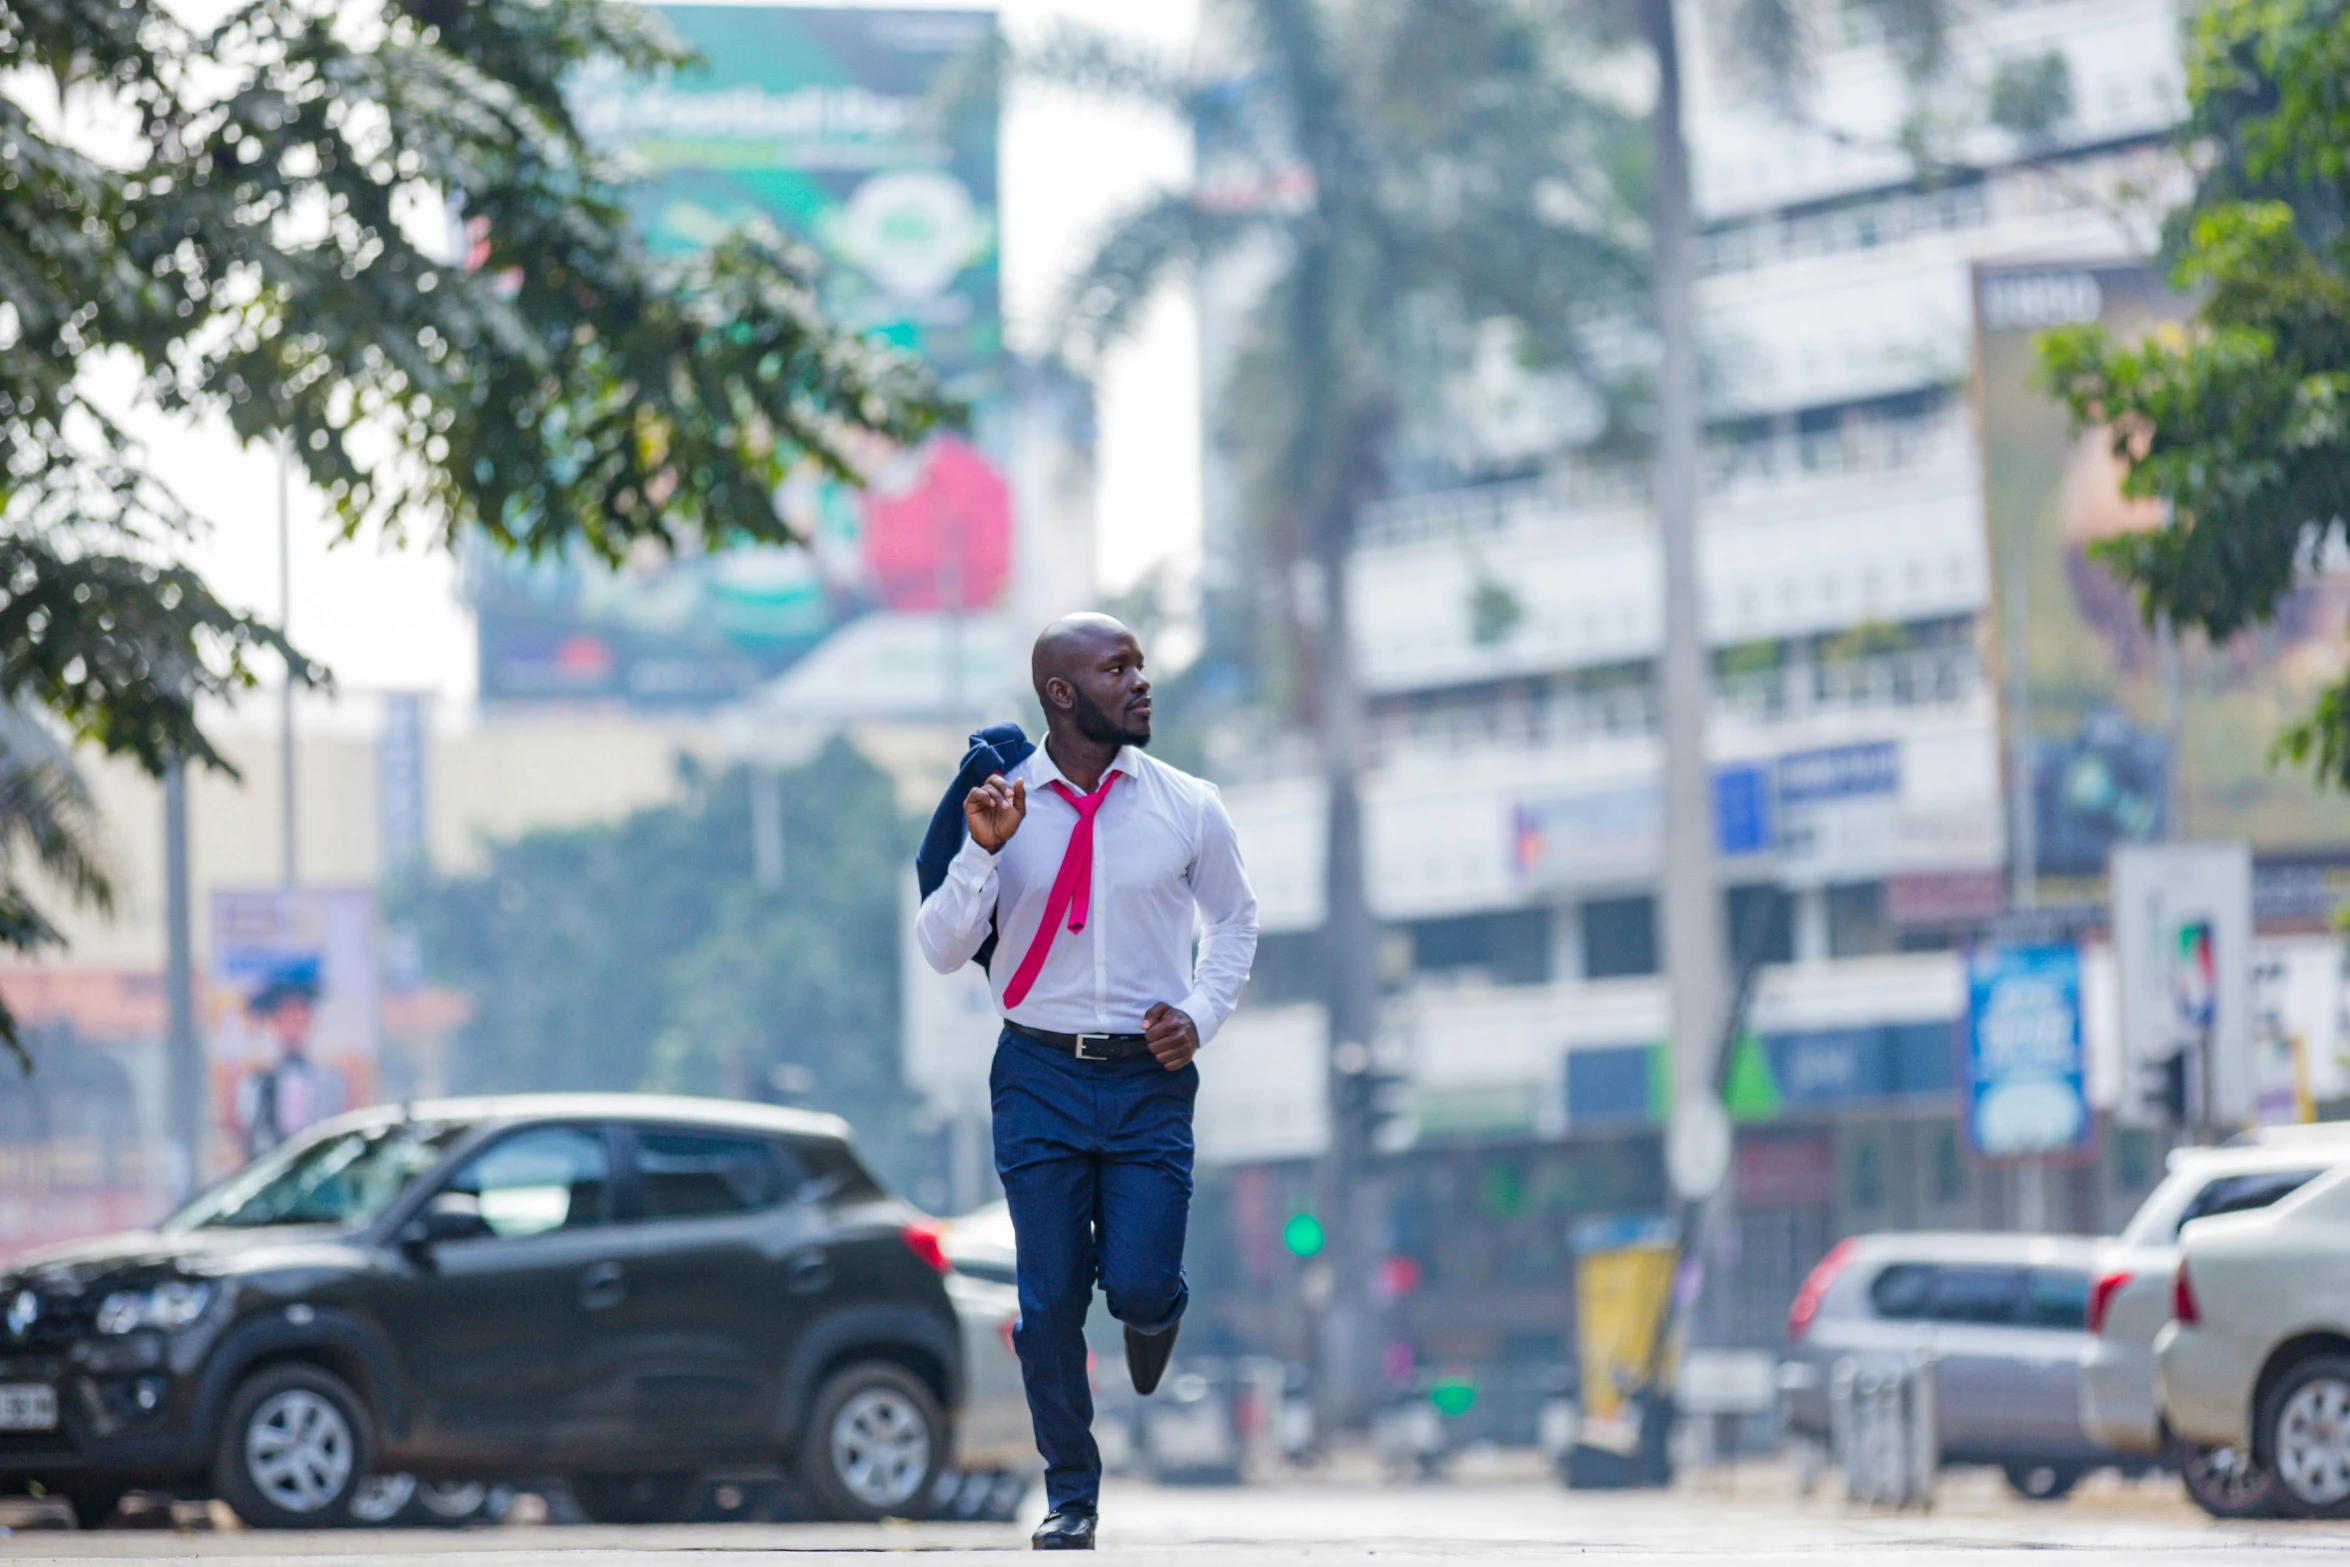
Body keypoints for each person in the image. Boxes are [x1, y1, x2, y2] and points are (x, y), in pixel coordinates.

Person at [916, 614, 1258, 1551]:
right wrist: (983, 851)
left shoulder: (1190, 805)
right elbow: (941, 947)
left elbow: (1236, 920)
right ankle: (1073, 1492)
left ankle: (1154, 1314)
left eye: (1140, 665)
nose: (1139, 683)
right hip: (1037, 1076)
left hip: (1150, 1078)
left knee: (1140, 1284)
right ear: (1061, 695)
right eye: (1117, 669)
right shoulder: (1002, 803)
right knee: (1048, 1301)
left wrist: (1201, 1011)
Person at [231, 964, 343, 1160]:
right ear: (274, 1021)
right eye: (285, 1015)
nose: (292, 1023)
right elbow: (249, 1133)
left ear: (309, 1020)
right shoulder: (256, 1082)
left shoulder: (330, 1081)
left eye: (298, 1014)